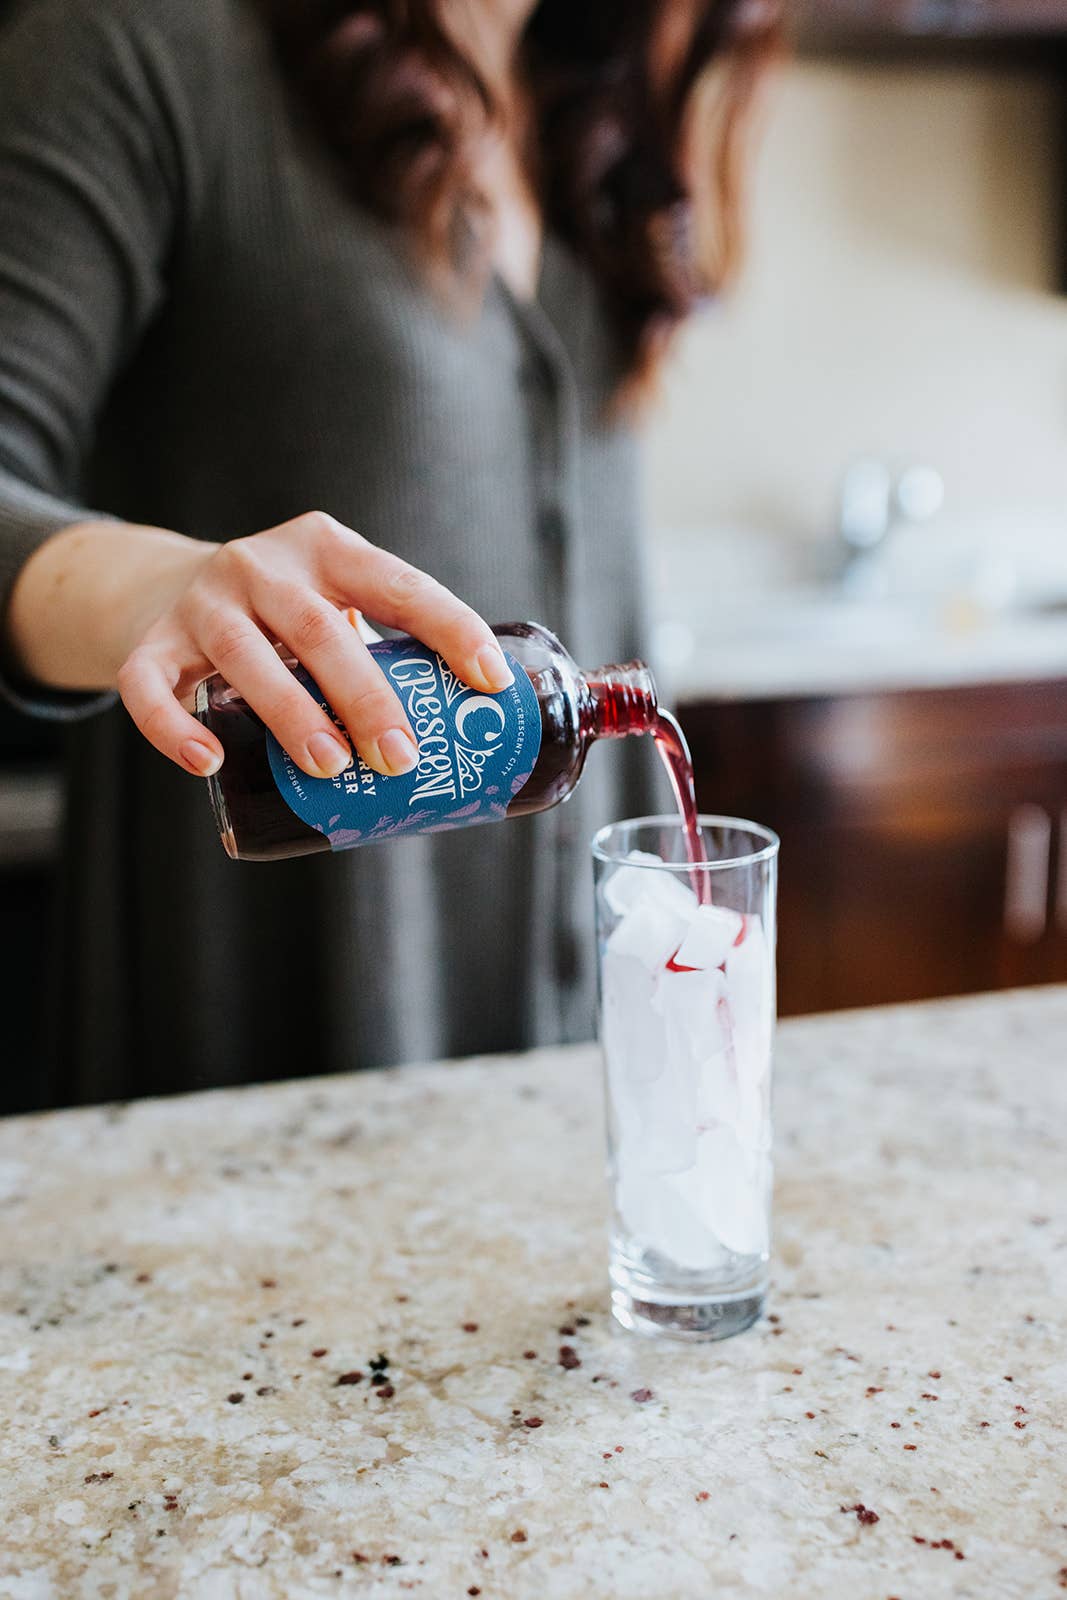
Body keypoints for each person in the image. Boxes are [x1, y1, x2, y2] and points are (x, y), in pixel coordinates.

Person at [0, 0, 775, 1105]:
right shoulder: (142, 47)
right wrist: (168, 590)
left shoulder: (586, 104)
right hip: (247, 1073)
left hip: (561, 1085)